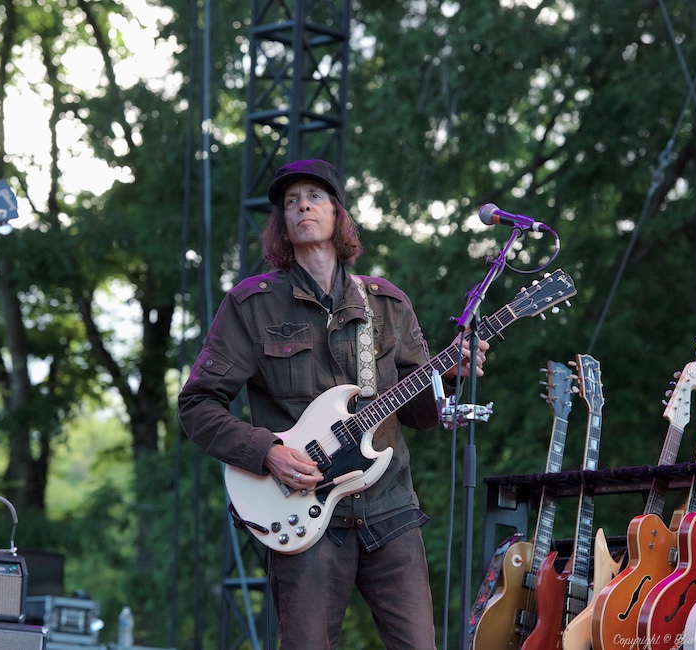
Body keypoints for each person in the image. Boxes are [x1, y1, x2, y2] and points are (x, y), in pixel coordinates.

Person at [178, 159, 490, 649]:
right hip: (303, 512)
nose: (302, 204)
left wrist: (447, 376)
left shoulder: (385, 304)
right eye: (290, 200)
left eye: (315, 196)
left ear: (338, 214)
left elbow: (419, 414)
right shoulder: (251, 306)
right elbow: (197, 405)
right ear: (282, 223)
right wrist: (267, 452)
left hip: (389, 506)